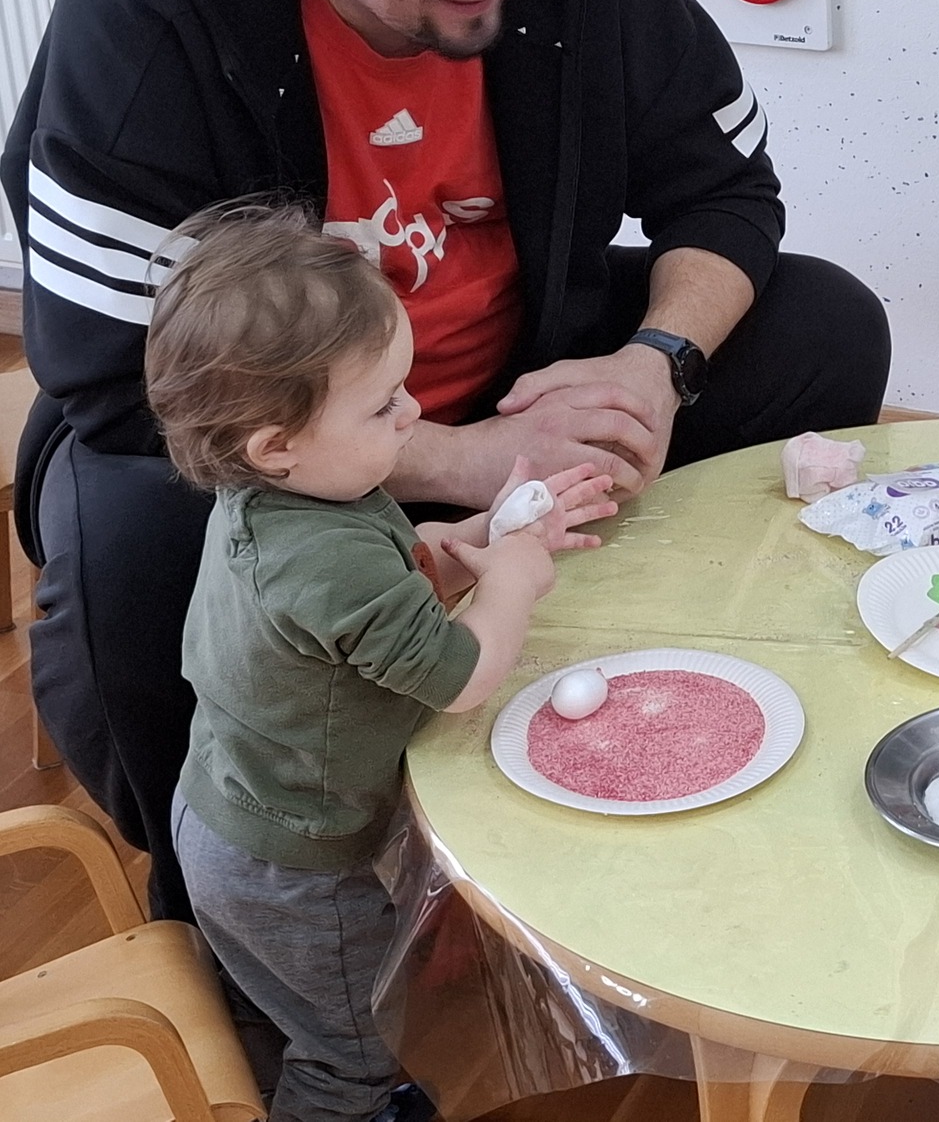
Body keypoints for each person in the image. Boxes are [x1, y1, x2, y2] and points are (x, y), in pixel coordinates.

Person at [3, 0, 890, 922]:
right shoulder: (144, 21)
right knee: (130, 541)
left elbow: (727, 192)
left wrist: (653, 365)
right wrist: (456, 459)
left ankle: (682, 666)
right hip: (282, 431)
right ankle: (224, 909)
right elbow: (109, 379)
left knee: (824, 324)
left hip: (523, 357)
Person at [151, 205, 616, 1122]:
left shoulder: (285, 497)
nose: (415, 412)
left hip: (233, 807)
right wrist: (513, 581)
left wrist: (492, 534)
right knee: (353, 1052)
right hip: (294, 862)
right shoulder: (321, 553)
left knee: (296, 1005)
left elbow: (397, 575)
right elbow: (464, 676)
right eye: (383, 404)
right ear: (275, 444)